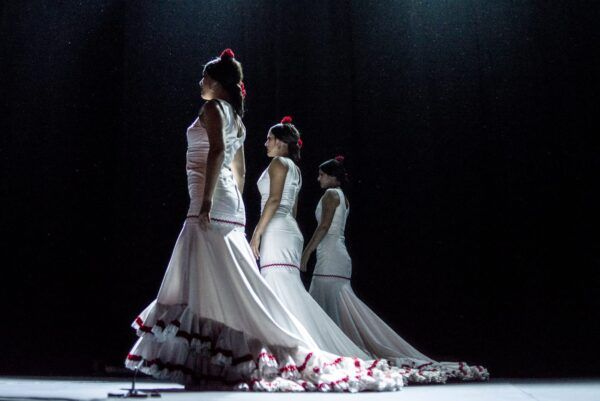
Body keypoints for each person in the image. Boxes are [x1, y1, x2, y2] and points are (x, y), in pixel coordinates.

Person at [124, 50, 402, 392]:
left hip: (211, 197)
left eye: (204, 78)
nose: (200, 83)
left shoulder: (213, 109)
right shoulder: (237, 120)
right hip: (227, 201)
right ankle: (214, 356)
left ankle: (249, 344)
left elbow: (216, 153)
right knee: (220, 276)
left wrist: (209, 198)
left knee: (210, 273)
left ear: (216, 82)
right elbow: (238, 170)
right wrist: (234, 202)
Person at [302, 156, 489, 383]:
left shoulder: (331, 194)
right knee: (331, 305)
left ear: (332, 176)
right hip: (335, 255)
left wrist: (307, 251)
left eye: (321, 174)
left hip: (329, 256)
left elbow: (324, 226)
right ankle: (333, 347)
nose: (318, 178)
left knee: (324, 303)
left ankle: (332, 348)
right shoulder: (343, 197)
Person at [249, 117, 371, 360]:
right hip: (290, 230)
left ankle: (285, 347)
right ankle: (295, 342)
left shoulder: (278, 164)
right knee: (287, 287)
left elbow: (273, 200)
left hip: (276, 228)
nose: (265, 143)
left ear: (282, 142)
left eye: (269, 138)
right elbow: (292, 208)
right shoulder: (295, 169)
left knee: (276, 286)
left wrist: (257, 233)